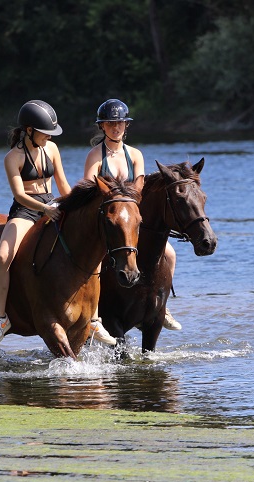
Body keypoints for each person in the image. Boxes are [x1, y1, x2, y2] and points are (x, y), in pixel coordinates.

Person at [83, 99, 182, 334]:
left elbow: (139, 185)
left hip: (130, 214)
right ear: (102, 126)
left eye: (120, 123)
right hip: (106, 216)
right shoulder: (95, 155)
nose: (116, 127)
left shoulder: (135, 154)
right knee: (94, 261)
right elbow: (89, 187)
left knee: (170, 252)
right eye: (110, 123)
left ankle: (162, 306)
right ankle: (93, 315)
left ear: (126, 126)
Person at [0, 100, 72, 345]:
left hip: (52, 205)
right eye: (45, 132)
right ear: (29, 130)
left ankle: (93, 318)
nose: (48, 137)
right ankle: (0, 318)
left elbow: (63, 184)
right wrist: (44, 209)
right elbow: (19, 195)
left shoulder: (52, 149)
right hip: (26, 211)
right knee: (3, 256)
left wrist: (69, 204)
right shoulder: (12, 158)